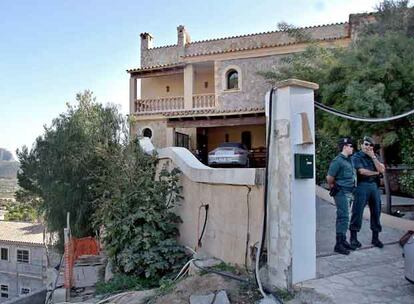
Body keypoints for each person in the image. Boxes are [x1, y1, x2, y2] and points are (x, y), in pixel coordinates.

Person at [349, 136, 386, 248]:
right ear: (361, 145)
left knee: (376, 211)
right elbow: (362, 171)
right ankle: (353, 238)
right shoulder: (356, 156)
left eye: (370, 145)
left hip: (374, 187)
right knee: (357, 212)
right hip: (361, 186)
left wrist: (373, 157)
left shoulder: (375, 156)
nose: (368, 147)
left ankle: (375, 238)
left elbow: (382, 169)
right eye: (366, 144)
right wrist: (376, 174)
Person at [327, 137, 356, 255]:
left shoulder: (349, 160)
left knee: (345, 217)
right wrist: (333, 186)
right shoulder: (337, 161)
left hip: (349, 192)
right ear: (345, 147)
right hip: (341, 192)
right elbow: (329, 177)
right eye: (351, 146)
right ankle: (338, 244)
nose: (352, 148)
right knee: (343, 217)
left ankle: (343, 241)